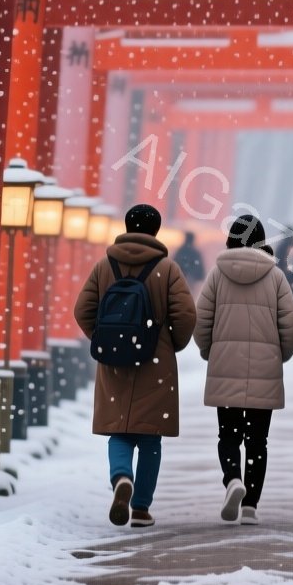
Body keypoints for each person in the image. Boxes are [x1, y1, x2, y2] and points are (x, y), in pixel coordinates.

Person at [74, 203, 196, 528]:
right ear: (156, 230)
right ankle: (141, 508)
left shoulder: (105, 265)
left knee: (119, 431)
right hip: (155, 361)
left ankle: (121, 477)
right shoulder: (167, 268)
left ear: (126, 226)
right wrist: (169, 344)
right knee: (150, 438)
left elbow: (82, 309)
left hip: (114, 360)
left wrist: (104, 338)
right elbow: (186, 314)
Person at [195, 214, 293, 525]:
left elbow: (201, 321)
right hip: (264, 369)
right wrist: (280, 355)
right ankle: (251, 505)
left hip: (225, 364)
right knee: (257, 440)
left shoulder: (217, 275)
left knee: (228, 435)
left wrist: (209, 351)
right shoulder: (276, 276)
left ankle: (232, 479)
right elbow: (289, 325)